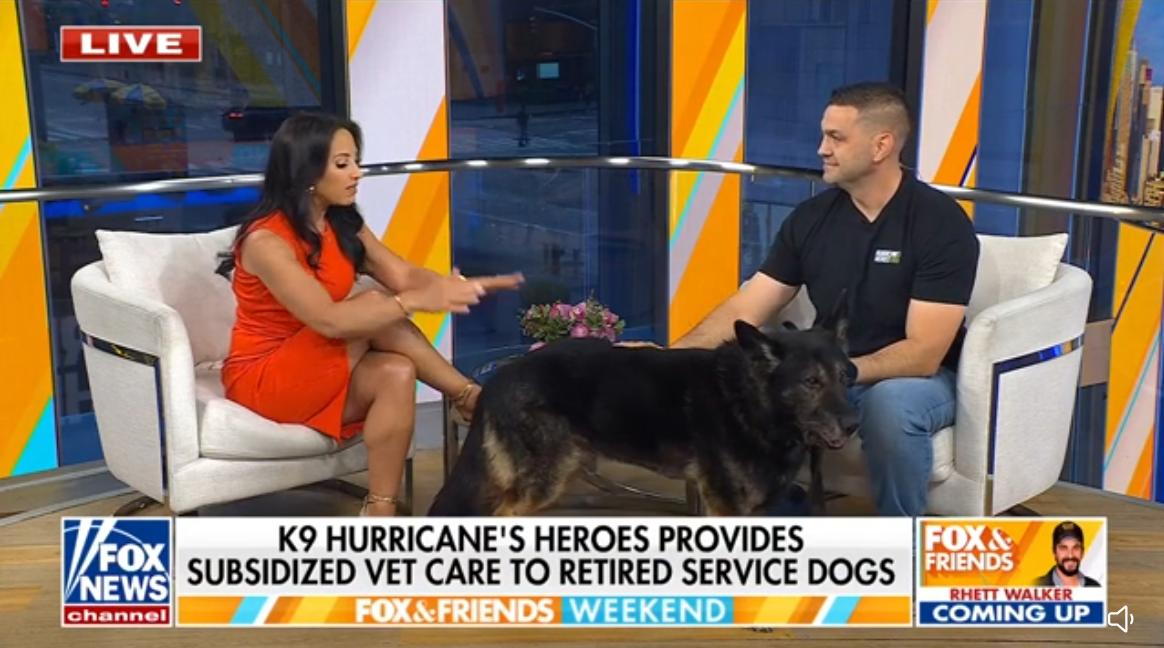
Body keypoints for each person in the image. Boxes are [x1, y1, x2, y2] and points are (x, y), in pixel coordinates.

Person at [671, 82, 979, 517]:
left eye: (836, 137)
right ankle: (773, 525)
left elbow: (924, 353)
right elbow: (747, 308)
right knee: (739, 384)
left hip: (918, 379)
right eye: (824, 135)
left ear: (881, 145)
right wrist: (669, 359)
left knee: (890, 407)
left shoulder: (939, 223)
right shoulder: (811, 219)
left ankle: (902, 540)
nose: (822, 149)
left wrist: (834, 374)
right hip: (832, 373)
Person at [218, 113, 523, 516]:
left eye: (356, 161)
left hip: (323, 360)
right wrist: (410, 301)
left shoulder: (342, 222)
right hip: (266, 378)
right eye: (342, 164)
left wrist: (447, 286)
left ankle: (380, 509)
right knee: (372, 305)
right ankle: (470, 398)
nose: (357, 173)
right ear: (307, 170)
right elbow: (328, 320)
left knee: (397, 371)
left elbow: (402, 274)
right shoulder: (265, 241)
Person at [1034, 521, 1101, 587]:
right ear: (1054, 552)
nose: (1070, 555)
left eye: (1076, 548)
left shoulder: (1095, 587)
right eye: (1063, 548)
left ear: (1082, 552)